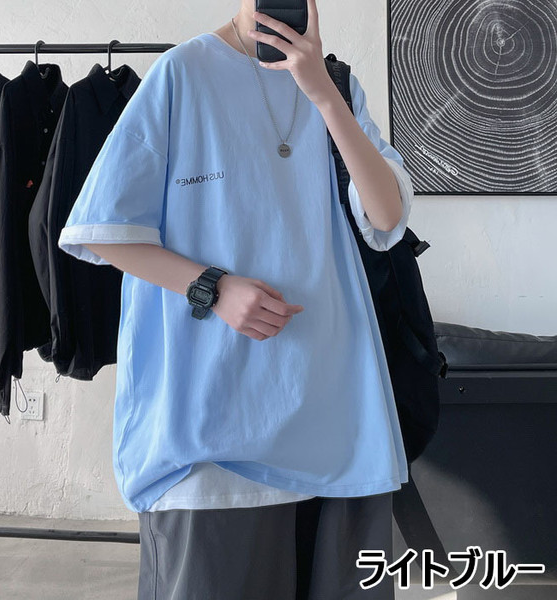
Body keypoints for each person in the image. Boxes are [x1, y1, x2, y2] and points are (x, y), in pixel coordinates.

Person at [58, 0, 414, 597]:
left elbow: (386, 218)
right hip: (211, 437)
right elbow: (104, 230)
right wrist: (213, 287)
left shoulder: (337, 85)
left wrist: (323, 93)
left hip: (336, 426)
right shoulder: (182, 74)